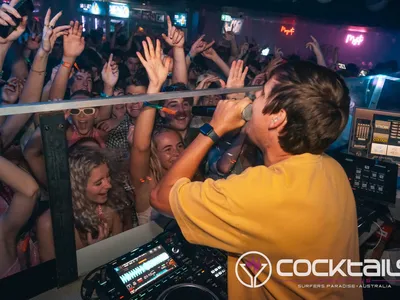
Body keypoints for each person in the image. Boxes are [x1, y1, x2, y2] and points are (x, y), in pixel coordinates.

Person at [151, 61, 362, 299]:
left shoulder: (259, 193)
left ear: (277, 118)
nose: (250, 99)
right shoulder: (331, 168)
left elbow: (161, 197)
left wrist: (215, 127)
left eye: (261, 93)